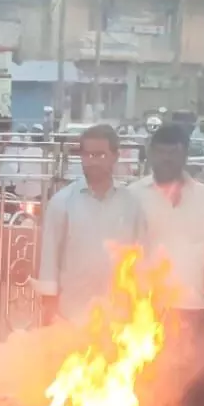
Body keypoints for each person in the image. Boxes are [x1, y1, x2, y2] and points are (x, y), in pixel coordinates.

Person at [129, 124, 204, 406]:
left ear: (185, 153)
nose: (167, 157)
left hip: (192, 303)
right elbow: (125, 250)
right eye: (161, 150)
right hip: (145, 306)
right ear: (150, 153)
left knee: (187, 386)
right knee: (144, 382)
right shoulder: (133, 196)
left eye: (174, 150)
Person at [35, 124, 144, 326]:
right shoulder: (62, 202)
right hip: (72, 316)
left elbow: (141, 258)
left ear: (115, 156)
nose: (92, 162)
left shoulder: (132, 203)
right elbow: (49, 258)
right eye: (87, 155)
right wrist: (49, 309)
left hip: (118, 319)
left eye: (100, 155)